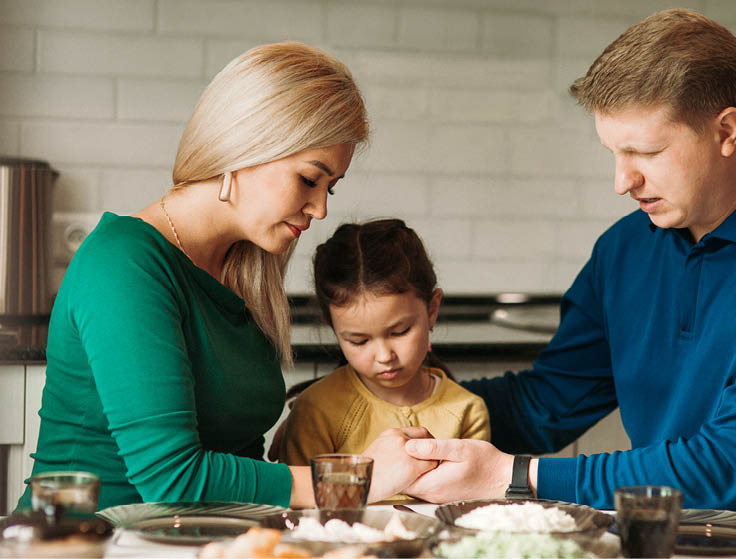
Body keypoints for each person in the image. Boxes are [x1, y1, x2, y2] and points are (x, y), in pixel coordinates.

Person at [402, 8, 736, 553]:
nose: (622, 181)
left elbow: (727, 466)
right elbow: (546, 404)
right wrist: (389, 406)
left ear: (727, 131)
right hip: (657, 544)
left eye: (646, 152)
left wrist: (512, 476)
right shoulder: (625, 248)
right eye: (615, 153)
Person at [16, 41, 435, 512]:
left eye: (330, 188)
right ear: (245, 145)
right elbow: (174, 480)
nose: (320, 209)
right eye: (308, 179)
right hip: (90, 540)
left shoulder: (243, 269)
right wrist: (356, 478)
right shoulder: (124, 265)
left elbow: (237, 455)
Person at [276, 219, 490, 501]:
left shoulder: (467, 411)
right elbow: (304, 511)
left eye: (400, 332)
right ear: (333, 328)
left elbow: (468, 509)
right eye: (359, 341)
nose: (384, 356)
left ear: (432, 309)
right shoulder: (315, 411)